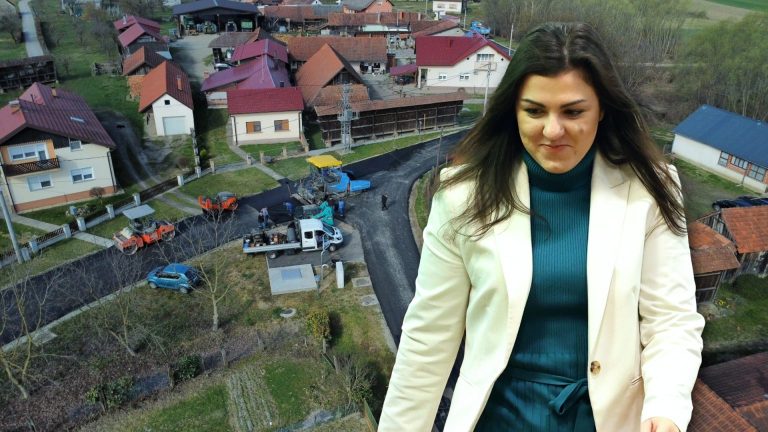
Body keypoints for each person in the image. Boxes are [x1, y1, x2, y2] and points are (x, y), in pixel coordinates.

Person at [379, 22, 703, 432]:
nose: (552, 130)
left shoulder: (650, 190)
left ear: (602, 109)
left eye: (573, 111)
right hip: (498, 420)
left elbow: (671, 320)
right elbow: (428, 338)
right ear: (513, 110)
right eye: (534, 111)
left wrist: (666, 409)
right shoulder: (463, 196)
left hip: (607, 420)